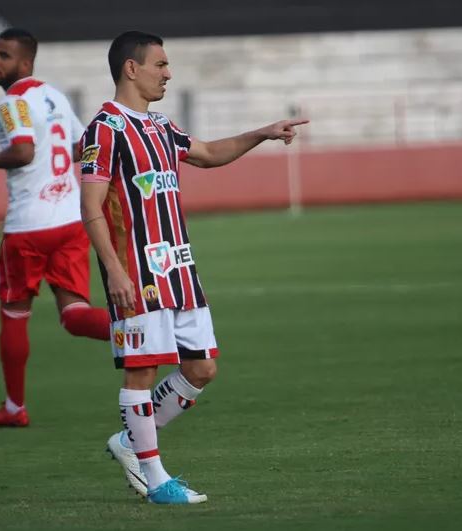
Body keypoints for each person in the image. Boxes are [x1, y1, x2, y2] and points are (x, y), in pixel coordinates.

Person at [79, 30, 308, 504]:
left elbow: (207, 154)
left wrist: (261, 133)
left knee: (201, 368)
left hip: (180, 269)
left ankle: (130, 442)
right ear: (131, 68)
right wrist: (114, 271)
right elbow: (91, 206)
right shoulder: (104, 130)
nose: (168, 73)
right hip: (136, 273)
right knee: (141, 371)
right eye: (160, 64)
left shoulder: (160, 126)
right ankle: (155, 479)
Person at [0, 28, 111, 428]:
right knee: (75, 316)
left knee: (14, 312)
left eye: (5, 56)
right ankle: (142, 334)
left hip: (28, 227)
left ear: (25, 63)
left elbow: (23, 151)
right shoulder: (55, 97)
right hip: (69, 221)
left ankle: (14, 408)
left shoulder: (12, 103)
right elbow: (83, 146)